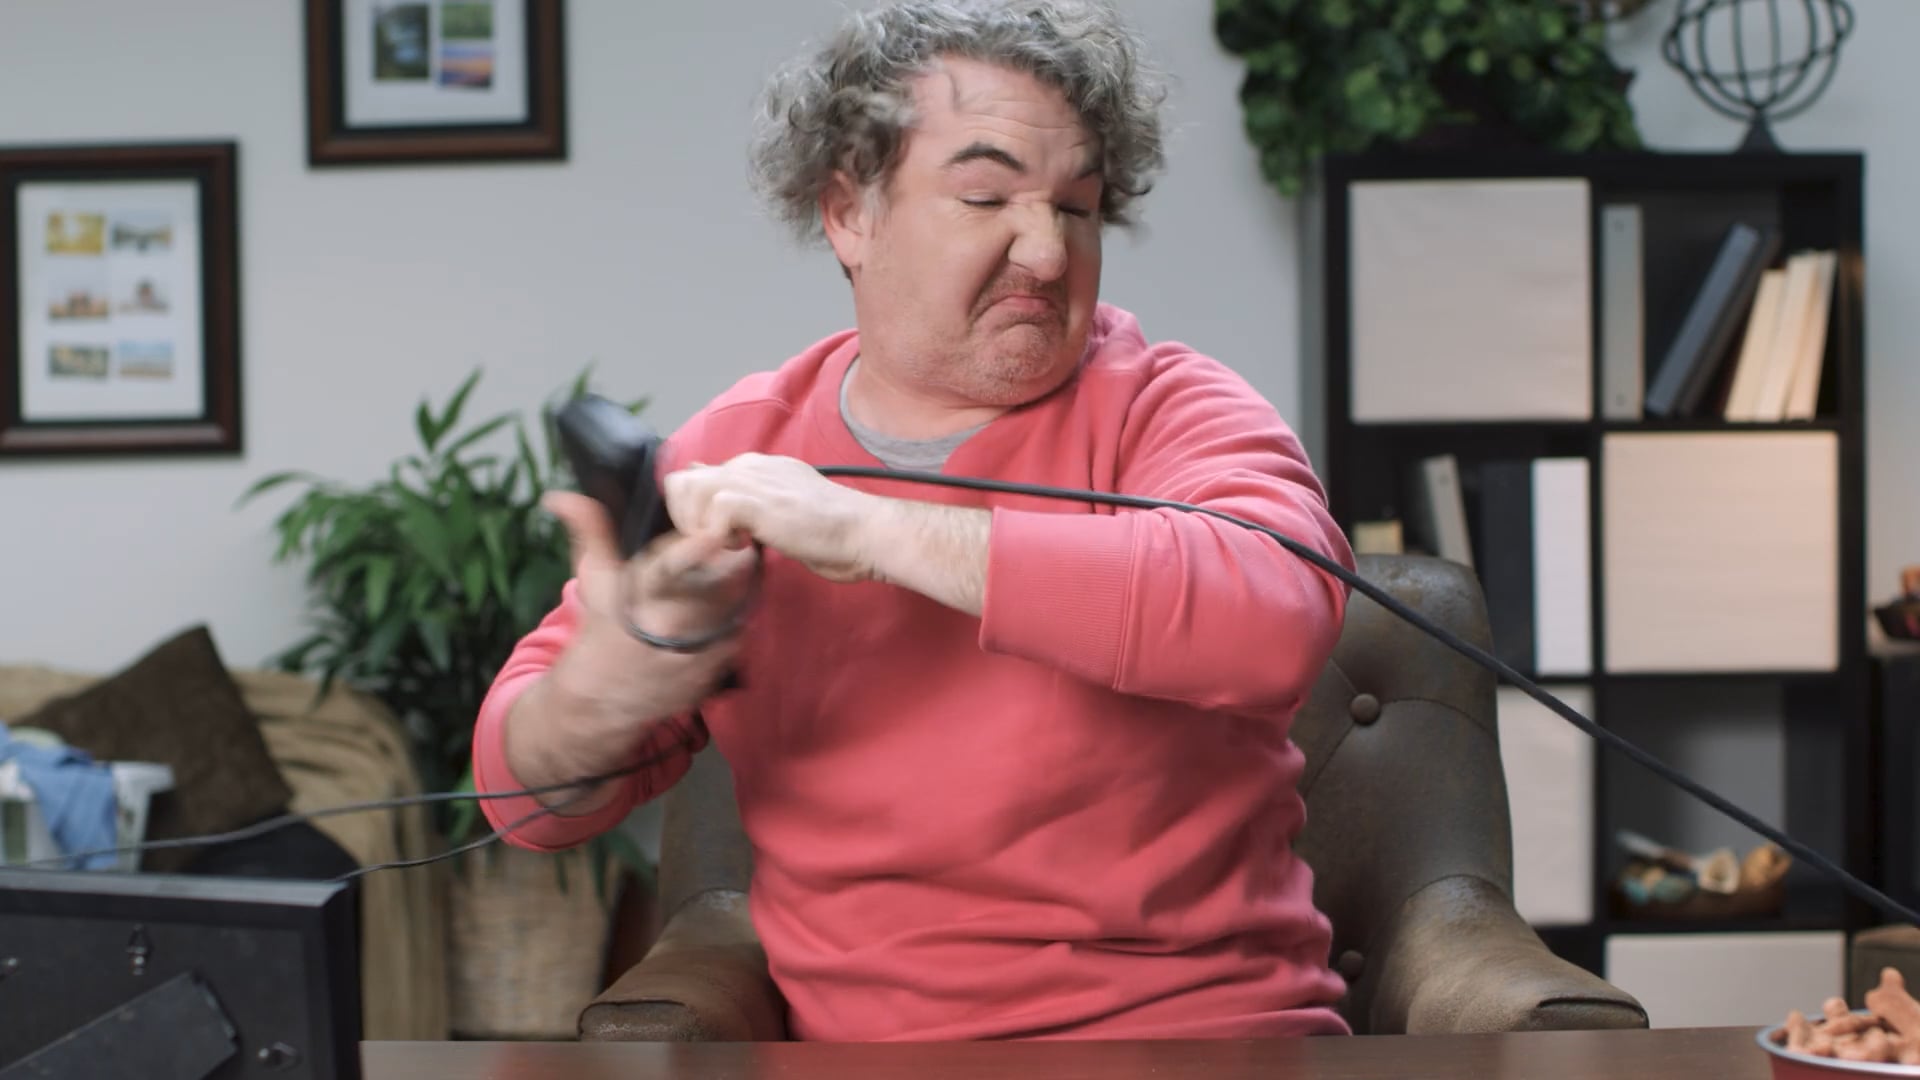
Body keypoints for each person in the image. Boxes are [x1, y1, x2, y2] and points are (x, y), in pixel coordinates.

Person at [473, 0, 1357, 1043]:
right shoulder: (737, 453)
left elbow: (1276, 616)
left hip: (1203, 1044)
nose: (1046, 251)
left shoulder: (1174, 408)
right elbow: (520, 801)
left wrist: (870, 531)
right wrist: (605, 689)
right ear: (850, 213)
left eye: (1077, 207)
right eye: (985, 197)